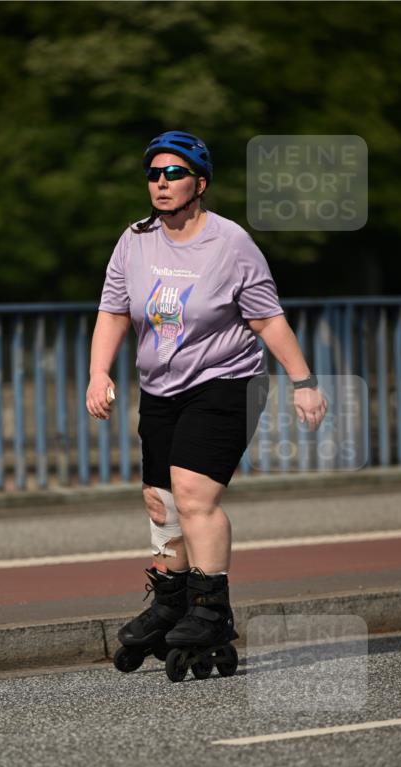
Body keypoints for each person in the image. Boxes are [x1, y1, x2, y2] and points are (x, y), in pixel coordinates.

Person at [86, 130, 328, 671]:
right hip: (160, 386)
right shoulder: (135, 239)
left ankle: (211, 608)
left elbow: (266, 317)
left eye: (174, 173)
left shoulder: (230, 243)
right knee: (159, 499)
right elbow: (114, 310)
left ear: (200, 182)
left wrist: (303, 381)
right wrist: (98, 372)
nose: (161, 183)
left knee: (193, 493)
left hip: (226, 381)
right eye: (154, 173)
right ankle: (172, 602)